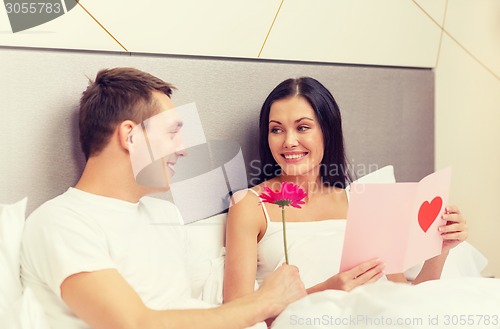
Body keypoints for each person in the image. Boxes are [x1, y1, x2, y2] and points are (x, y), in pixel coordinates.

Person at [20, 67, 306, 329]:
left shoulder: (163, 214)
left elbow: (194, 309)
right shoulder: (61, 223)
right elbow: (134, 324)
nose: (182, 149)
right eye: (172, 133)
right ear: (130, 136)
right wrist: (264, 301)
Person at [223, 77, 468, 304]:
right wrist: (325, 290)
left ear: (327, 132)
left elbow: (404, 300)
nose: (288, 141)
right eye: (276, 129)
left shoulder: (362, 202)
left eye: (303, 128)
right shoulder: (249, 205)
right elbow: (237, 313)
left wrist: (439, 250)